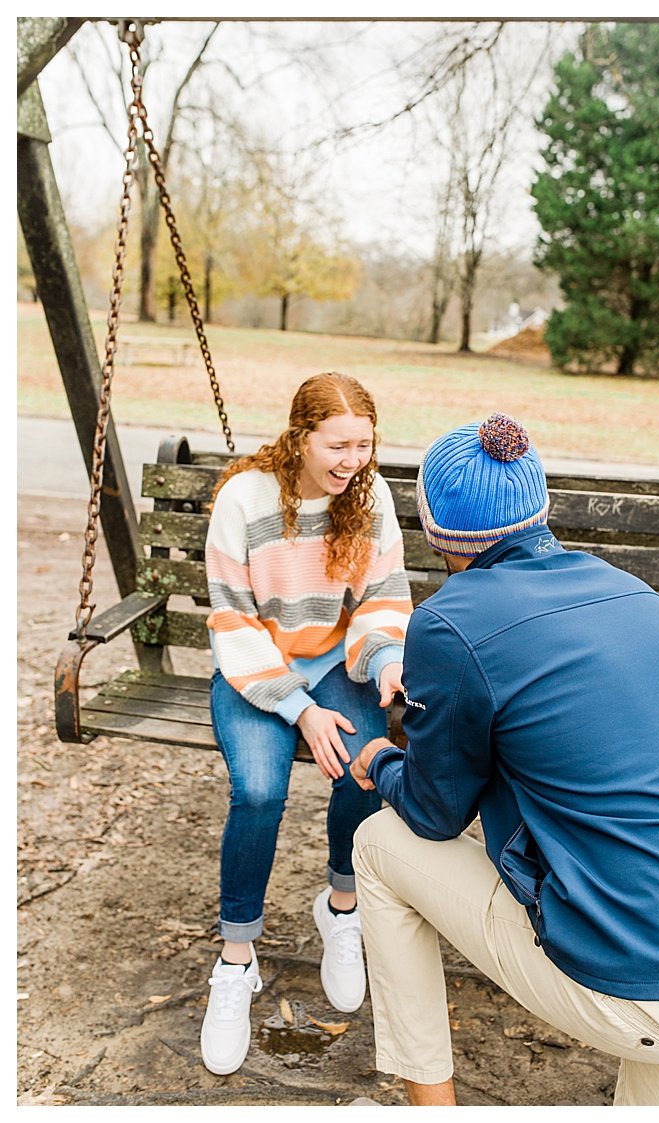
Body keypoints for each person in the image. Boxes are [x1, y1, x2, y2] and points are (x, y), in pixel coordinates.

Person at [345, 413, 659, 1106]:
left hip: (638, 990)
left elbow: (435, 813)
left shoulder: (450, 621)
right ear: (542, 506)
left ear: (434, 530)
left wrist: (381, 760)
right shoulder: (636, 594)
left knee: (379, 843)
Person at [200, 372, 411, 1076]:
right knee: (260, 790)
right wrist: (300, 707)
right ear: (301, 435)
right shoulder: (245, 499)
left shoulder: (370, 495)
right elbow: (232, 617)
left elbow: (382, 597)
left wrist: (385, 659)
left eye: (365, 445)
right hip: (254, 667)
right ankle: (236, 958)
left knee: (369, 759)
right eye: (340, 444)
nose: (354, 459)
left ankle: (340, 905)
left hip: (337, 662)